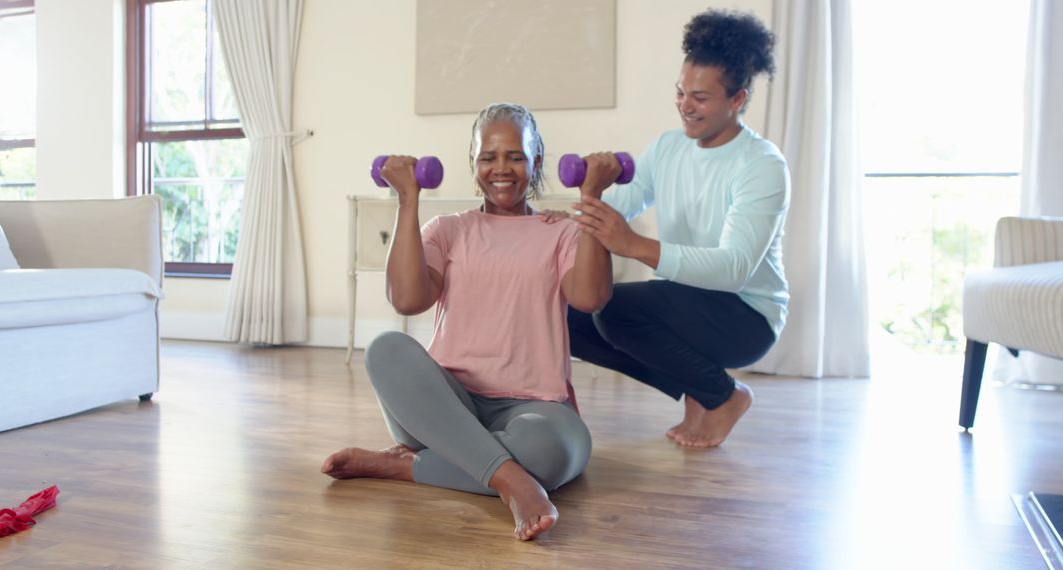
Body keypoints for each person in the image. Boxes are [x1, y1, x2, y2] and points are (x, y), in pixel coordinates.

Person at [322, 103, 616, 541]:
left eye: (516, 156)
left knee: (556, 453)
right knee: (386, 347)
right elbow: (406, 299)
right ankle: (513, 481)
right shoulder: (448, 229)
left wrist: (591, 200)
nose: (502, 169)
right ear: (472, 163)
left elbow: (590, 296)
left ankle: (403, 466)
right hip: (447, 404)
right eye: (488, 157)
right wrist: (408, 200)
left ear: (537, 160)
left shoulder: (562, 232)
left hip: (533, 407)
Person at [566, 9, 790, 449]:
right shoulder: (668, 148)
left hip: (745, 316)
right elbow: (620, 206)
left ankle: (724, 396)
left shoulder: (762, 165)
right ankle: (701, 388)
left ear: (738, 99)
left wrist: (632, 245)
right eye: (681, 93)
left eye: (701, 97)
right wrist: (573, 209)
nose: (686, 106)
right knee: (569, 314)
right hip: (685, 305)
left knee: (613, 310)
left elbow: (733, 270)